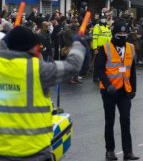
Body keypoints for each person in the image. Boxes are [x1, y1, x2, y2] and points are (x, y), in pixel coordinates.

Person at [0, 26, 87, 160]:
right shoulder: (39, 69)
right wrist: (78, 43)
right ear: (29, 48)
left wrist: (7, 39)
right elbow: (72, 66)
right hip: (35, 152)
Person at [95, 20, 139, 160]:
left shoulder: (131, 47)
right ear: (114, 34)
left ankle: (128, 152)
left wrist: (134, 89)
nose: (123, 36)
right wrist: (108, 85)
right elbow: (99, 70)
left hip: (125, 91)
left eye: (125, 33)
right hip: (109, 91)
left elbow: (132, 70)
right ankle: (110, 151)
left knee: (125, 120)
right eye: (120, 33)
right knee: (110, 121)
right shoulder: (105, 48)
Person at [92, 14, 112, 82]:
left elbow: (110, 37)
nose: (104, 19)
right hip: (99, 48)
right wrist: (95, 48)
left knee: (105, 63)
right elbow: (95, 37)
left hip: (107, 47)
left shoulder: (107, 26)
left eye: (105, 18)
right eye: (103, 18)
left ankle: (102, 76)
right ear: (100, 19)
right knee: (98, 63)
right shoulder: (97, 26)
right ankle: (95, 77)